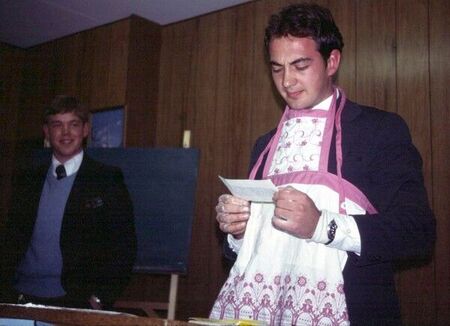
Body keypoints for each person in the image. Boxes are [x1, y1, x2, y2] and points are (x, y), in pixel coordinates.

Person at [210, 3, 435, 326]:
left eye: (300, 65)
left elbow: (418, 233)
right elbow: (242, 256)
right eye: (277, 68)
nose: (287, 81)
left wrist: (323, 226)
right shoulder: (264, 145)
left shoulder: (379, 129)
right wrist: (239, 231)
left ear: (332, 61)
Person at [0, 95, 137, 310]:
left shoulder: (106, 179)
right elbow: (10, 238)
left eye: (73, 125)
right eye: (57, 125)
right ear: (46, 131)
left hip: (75, 301)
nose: (65, 133)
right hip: (19, 296)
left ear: (85, 130)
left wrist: (100, 298)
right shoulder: (27, 178)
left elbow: (124, 247)